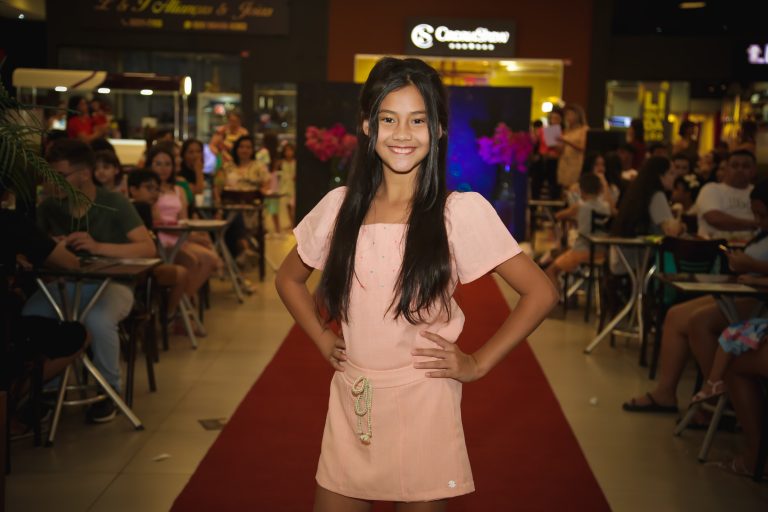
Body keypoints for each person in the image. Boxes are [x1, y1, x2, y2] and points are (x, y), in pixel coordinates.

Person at [275, 57, 558, 510]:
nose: (402, 133)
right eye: (388, 119)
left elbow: (541, 292)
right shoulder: (339, 208)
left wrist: (478, 363)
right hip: (353, 400)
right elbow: (288, 278)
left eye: (418, 120)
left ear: (439, 128)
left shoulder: (457, 213)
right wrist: (323, 339)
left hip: (425, 404)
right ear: (367, 125)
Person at [23, 139, 156, 423]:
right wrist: (52, 246)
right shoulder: (49, 207)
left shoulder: (114, 204)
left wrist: (98, 247)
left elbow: (147, 249)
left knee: (98, 319)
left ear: (84, 173)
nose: (52, 182)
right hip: (64, 285)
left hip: (113, 284)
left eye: (60, 175)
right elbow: (33, 250)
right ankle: (45, 390)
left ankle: (109, 391)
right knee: (32, 314)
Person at [623, 180, 768, 415]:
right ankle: (666, 392)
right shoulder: (761, 234)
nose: (758, 221)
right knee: (675, 315)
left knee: (699, 321)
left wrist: (753, 267)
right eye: (756, 215)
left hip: (759, 299)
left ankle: (720, 400)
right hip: (744, 290)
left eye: (763, 215)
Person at [147, 144, 221, 302]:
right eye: (158, 164)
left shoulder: (178, 189)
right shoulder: (148, 190)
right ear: (150, 165)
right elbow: (155, 221)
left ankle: (181, 300)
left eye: (168, 164)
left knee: (211, 259)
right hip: (161, 238)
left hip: (179, 236)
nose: (163, 169)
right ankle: (180, 304)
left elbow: (183, 219)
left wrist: (192, 236)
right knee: (194, 261)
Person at [126, 169, 189, 329]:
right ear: (133, 189)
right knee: (182, 272)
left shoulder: (143, 207)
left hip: (142, 264)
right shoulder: (137, 209)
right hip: (138, 267)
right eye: (149, 188)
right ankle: (167, 317)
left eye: (156, 189)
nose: (154, 193)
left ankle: (162, 315)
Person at [609, 156, 683, 275]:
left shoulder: (638, 193)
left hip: (623, 256)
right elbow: (671, 231)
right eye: (671, 173)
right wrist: (681, 224)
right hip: (640, 260)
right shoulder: (656, 195)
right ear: (660, 176)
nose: (675, 177)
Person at [545, 173, 610, 292]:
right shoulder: (606, 207)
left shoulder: (581, 207)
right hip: (602, 251)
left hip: (582, 251)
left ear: (581, 190)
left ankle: (557, 298)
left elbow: (560, 217)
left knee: (551, 271)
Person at [694, 149, 757, 242]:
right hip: (716, 246)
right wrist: (756, 224)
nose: (740, 169)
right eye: (735, 165)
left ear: (754, 170)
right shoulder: (711, 189)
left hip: (754, 246)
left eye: (745, 166)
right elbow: (715, 219)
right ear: (726, 168)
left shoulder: (758, 192)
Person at [556, 104, 588, 190]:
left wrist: (566, 141)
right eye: (567, 115)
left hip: (576, 162)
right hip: (564, 160)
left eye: (571, 114)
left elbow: (583, 147)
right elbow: (561, 149)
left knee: (573, 187)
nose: (568, 117)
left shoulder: (584, 130)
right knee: (564, 187)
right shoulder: (566, 130)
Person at [275, 142, 297, 228]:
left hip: (293, 187)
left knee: (293, 206)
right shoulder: (280, 162)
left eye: (290, 150)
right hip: (283, 187)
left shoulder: (296, 162)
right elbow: (275, 175)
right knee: (284, 206)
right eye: (286, 150)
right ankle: (288, 225)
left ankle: (293, 224)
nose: (288, 152)